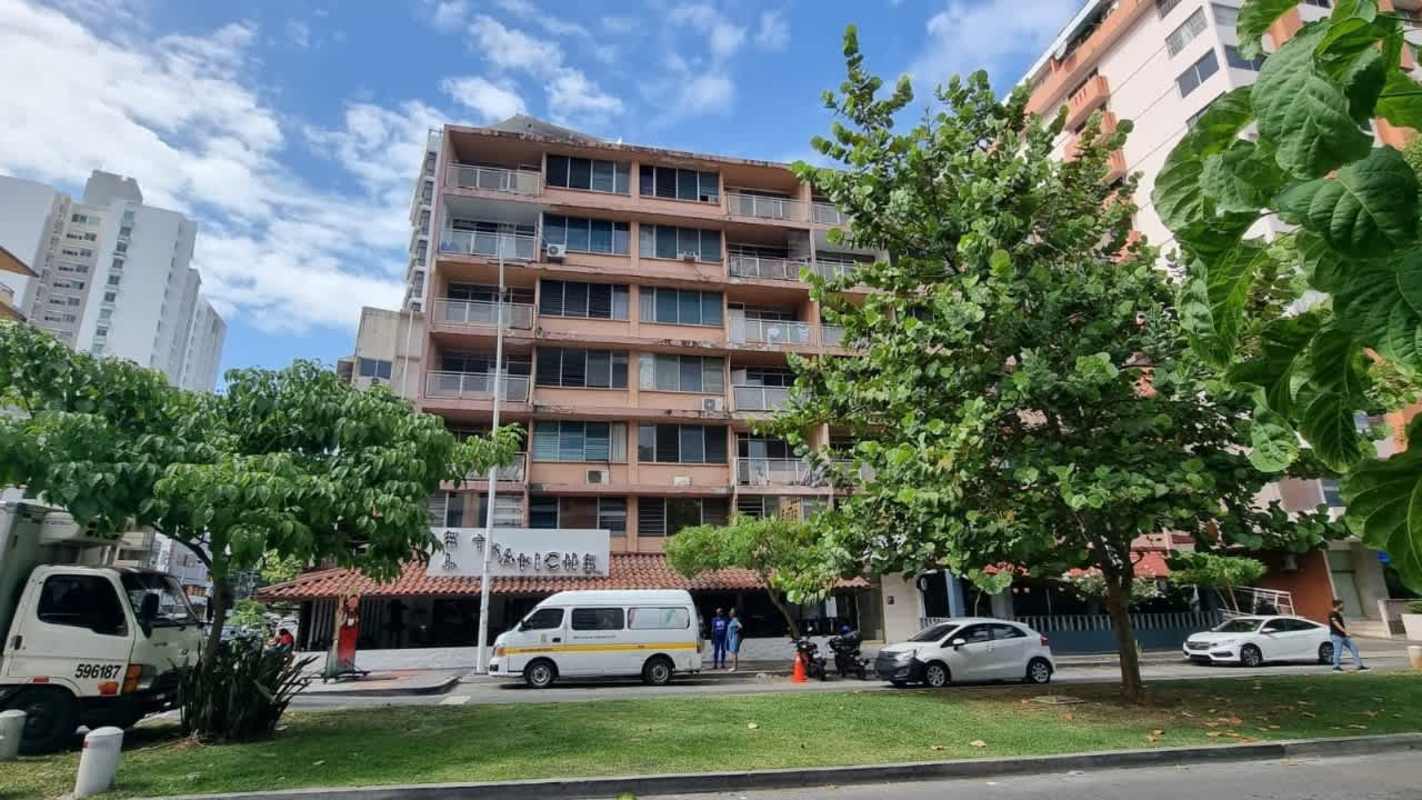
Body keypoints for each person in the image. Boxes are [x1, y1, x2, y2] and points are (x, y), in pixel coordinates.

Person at [1328, 598, 1368, 672]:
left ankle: (1359, 666)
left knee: (1354, 648)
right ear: (1338, 605)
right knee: (1338, 651)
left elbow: (1341, 624)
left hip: (1343, 636)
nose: (1343, 606)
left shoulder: (1338, 613)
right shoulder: (1332, 613)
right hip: (1336, 636)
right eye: (1342, 604)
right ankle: (1336, 667)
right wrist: (1345, 631)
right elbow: (1336, 624)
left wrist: (1346, 632)